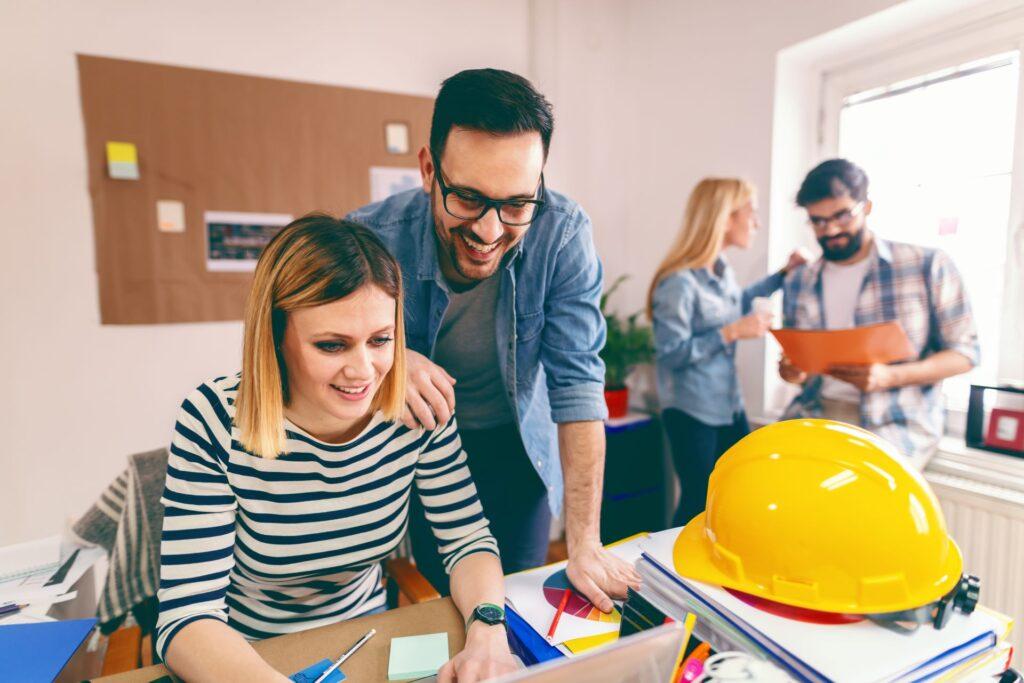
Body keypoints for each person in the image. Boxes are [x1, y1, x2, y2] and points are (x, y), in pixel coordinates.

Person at [155, 215, 516, 683]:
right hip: (249, 659)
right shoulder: (213, 419)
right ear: (277, 337)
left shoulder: (415, 409)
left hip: (369, 641)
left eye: (381, 340)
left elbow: (467, 540)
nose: (363, 371)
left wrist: (488, 634)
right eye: (332, 345)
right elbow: (187, 616)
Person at [347, 68, 640, 612]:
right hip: (417, 447)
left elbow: (578, 386)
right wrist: (390, 356)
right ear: (429, 169)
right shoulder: (369, 239)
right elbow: (309, 342)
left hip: (515, 444)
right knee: (440, 602)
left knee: (520, 598)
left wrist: (586, 544)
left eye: (515, 205)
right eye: (467, 198)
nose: (488, 232)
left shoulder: (564, 233)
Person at [780, 158, 979, 466]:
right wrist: (792, 372)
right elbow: (799, 370)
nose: (830, 229)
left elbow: (966, 354)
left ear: (867, 207)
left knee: (856, 505)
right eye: (817, 221)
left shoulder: (926, 265)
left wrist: (890, 376)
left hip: (895, 423)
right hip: (815, 414)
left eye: (842, 216)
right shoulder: (798, 281)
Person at [647, 178, 807, 527]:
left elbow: (738, 303)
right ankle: (671, 574)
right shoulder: (678, 282)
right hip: (692, 412)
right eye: (752, 213)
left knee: (734, 495)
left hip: (727, 406)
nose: (757, 223)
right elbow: (671, 352)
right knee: (696, 503)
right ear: (725, 217)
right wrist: (733, 332)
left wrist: (782, 275)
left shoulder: (721, 271)